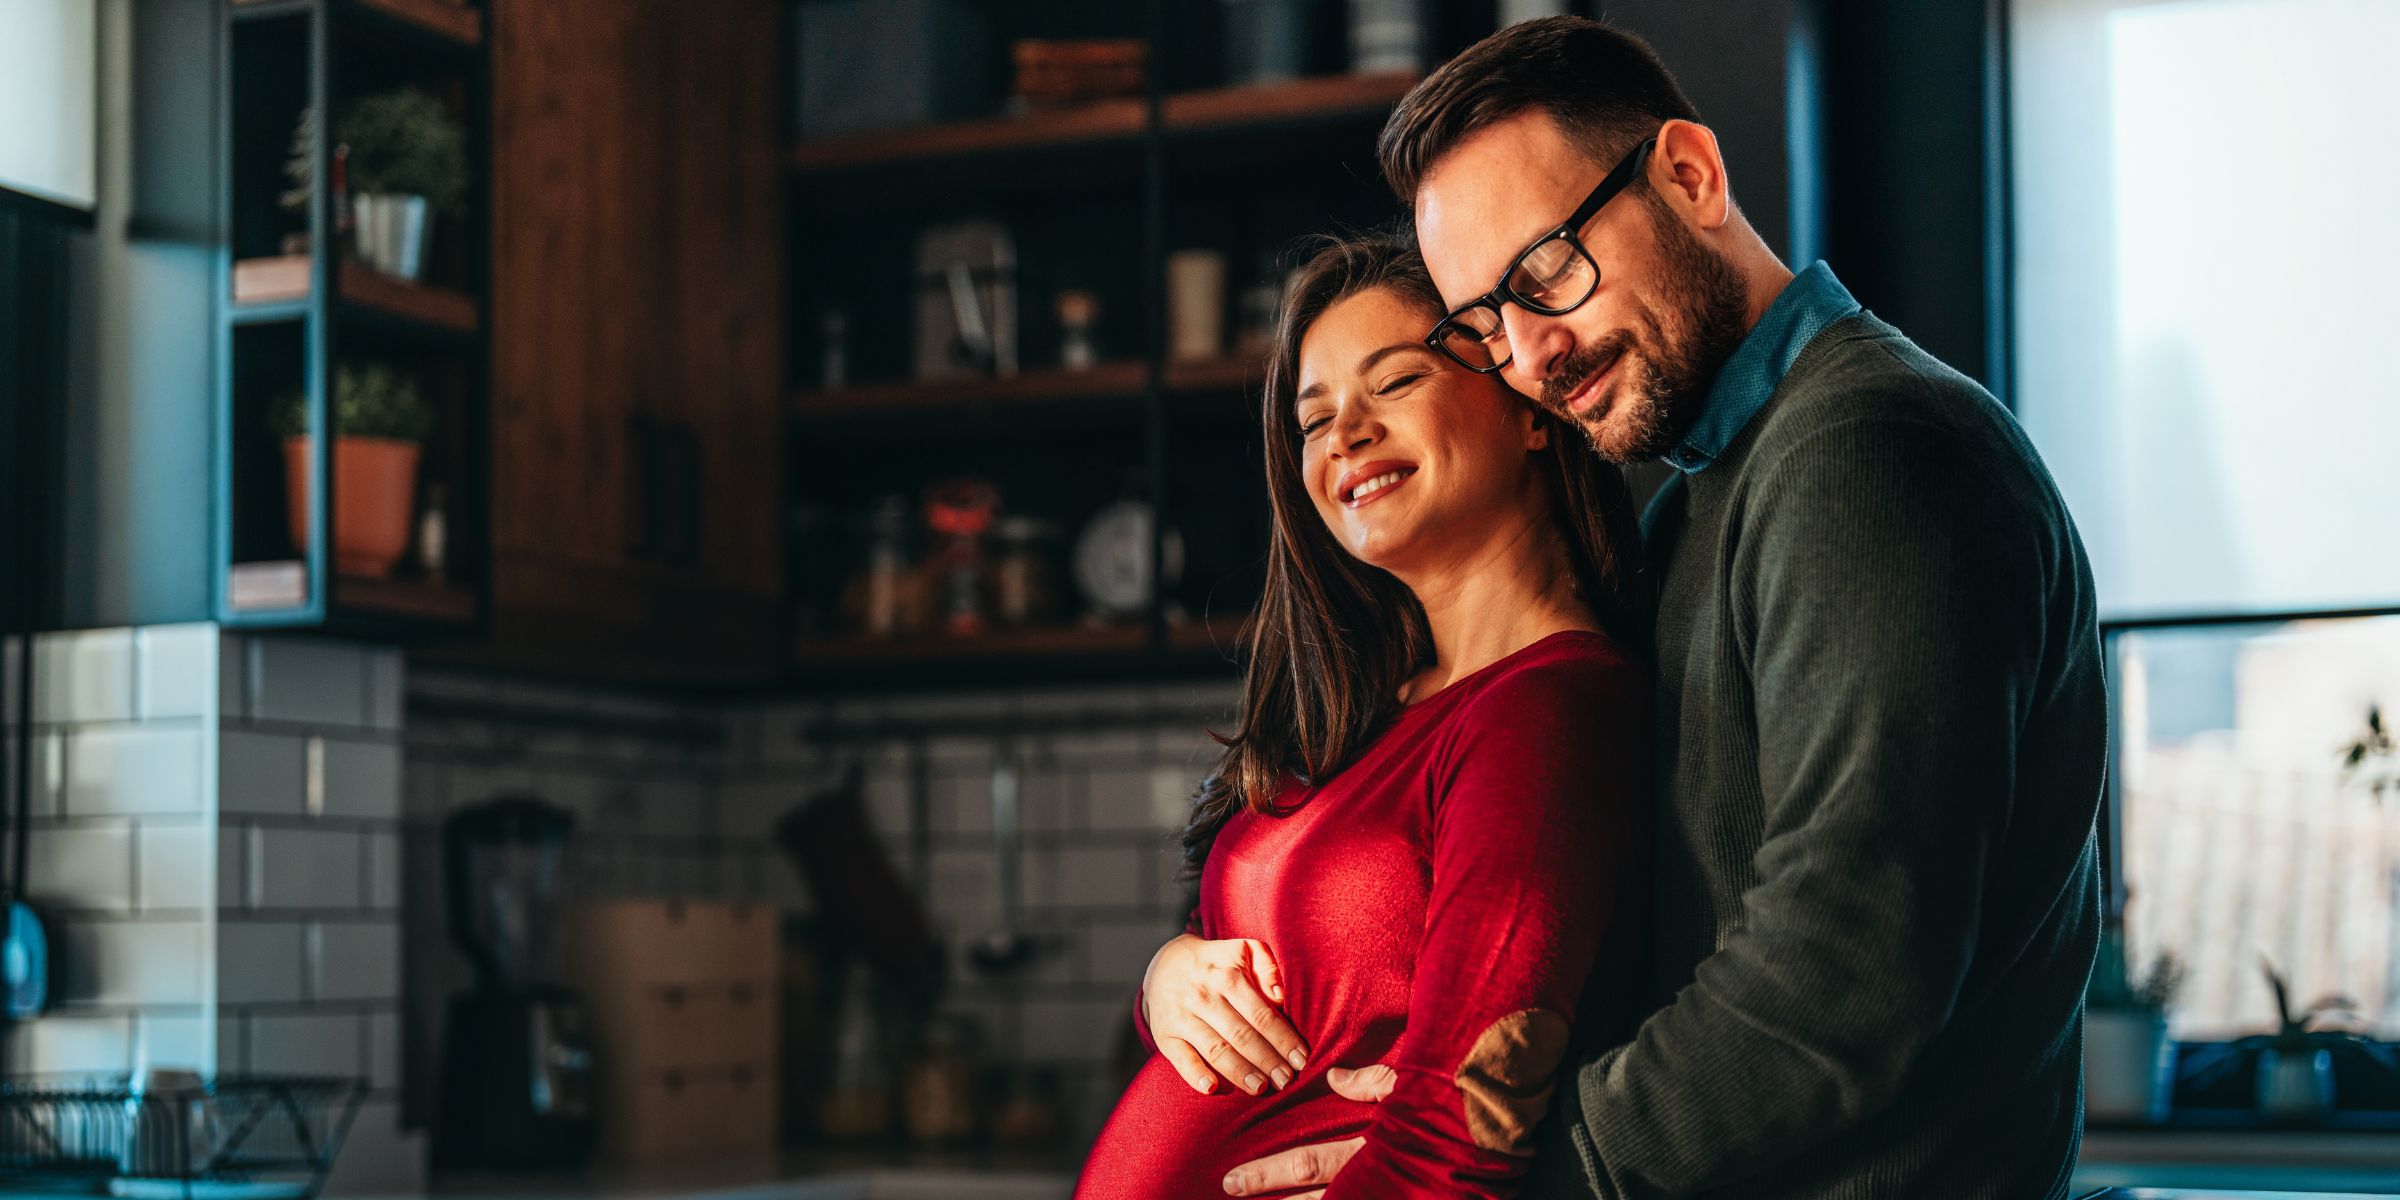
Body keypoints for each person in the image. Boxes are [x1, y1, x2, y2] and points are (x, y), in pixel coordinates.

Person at [1215, 17, 2109, 1200]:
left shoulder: (1871, 450)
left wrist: (1506, 1172)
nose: (1530, 354)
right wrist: (1190, 974)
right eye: (1484, 324)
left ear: (1689, 176)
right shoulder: (1697, 506)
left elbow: (1841, 979)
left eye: (1545, 274)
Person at [1072, 232, 1653, 1200]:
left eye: (1394, 383)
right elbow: (1296, 990)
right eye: (1314, 419)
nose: (1344, 433)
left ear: (1529, 410)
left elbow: (1460, 1134)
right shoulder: (1369, 709)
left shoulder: (1546, 715)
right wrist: (1167, 982)